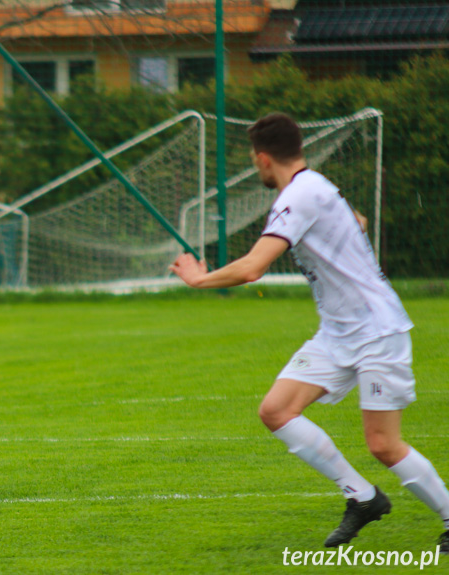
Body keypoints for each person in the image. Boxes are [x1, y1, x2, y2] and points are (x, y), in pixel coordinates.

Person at [170, 112, 449, 552]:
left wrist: (198, 279)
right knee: (276, 410)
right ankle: (363, 497)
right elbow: (355, 221)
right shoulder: (315, 186)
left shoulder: (298, 196)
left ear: (263, 158)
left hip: (377, 331)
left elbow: (253, 268)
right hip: (338, 333)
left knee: (383, 444)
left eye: (253, 159)